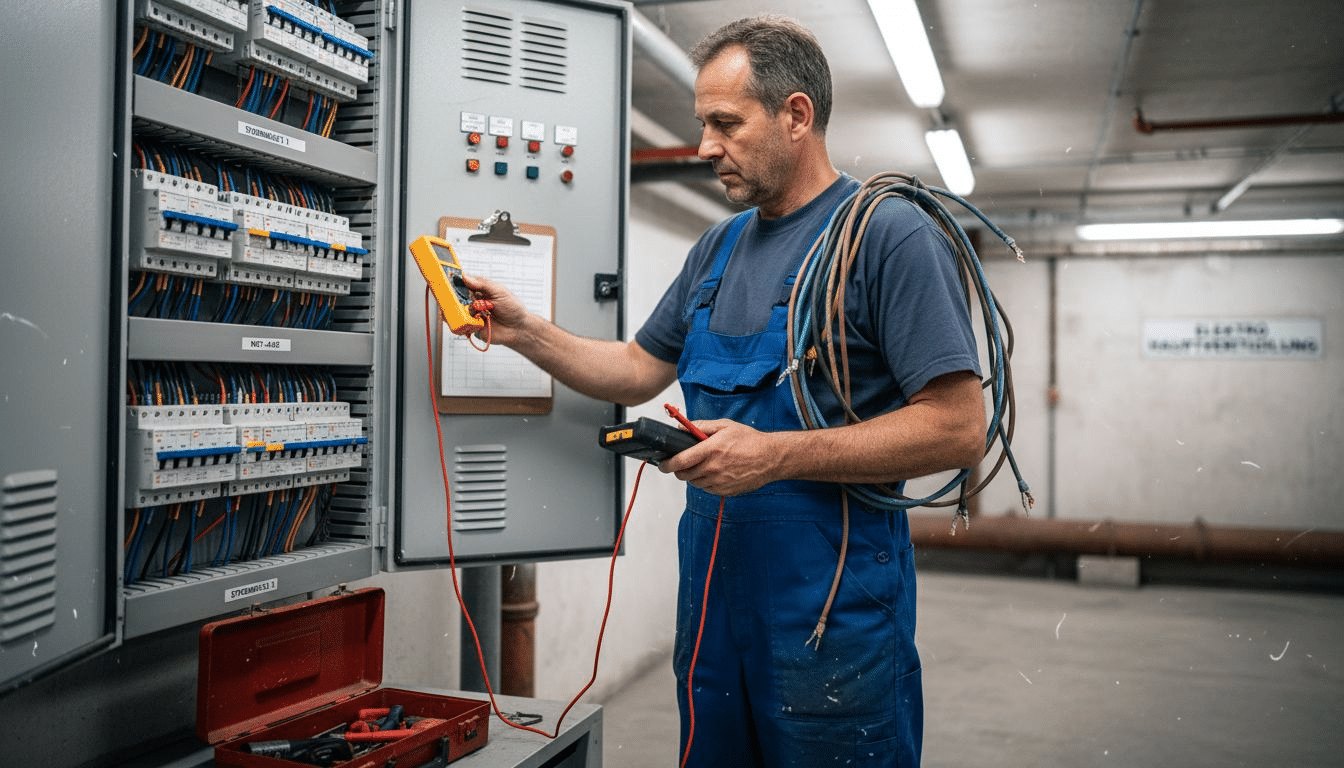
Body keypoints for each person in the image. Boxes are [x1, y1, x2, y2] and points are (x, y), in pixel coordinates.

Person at [464, 15, 985, 767]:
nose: (705, 146)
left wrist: (774, 456)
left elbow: (959, 427)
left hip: (831, 620)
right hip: (712, 611)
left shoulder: (888, 238)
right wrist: (523, 331)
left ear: (796, 115)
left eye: (725, 123)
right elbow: (639, 368)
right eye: (703, 124)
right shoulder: (720, 245)